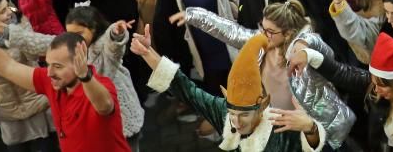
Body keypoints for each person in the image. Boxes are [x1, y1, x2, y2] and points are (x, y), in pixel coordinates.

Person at [0, 4, 132, 152]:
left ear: (78, 62)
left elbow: (104, 105)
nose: (49, 72)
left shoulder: (100, 85)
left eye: (57, 66)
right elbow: (7, 66)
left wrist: (85, 77)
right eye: (49, 64)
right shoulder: (51, 80)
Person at [131, 29, 325, 151]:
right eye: (232, 113)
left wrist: (311, 128)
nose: (236, 122)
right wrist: (148, 53)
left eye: (243, 115)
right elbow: (186, 89)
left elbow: (318, 147)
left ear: (262, 105)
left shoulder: (281, 126)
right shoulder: (225, 113)